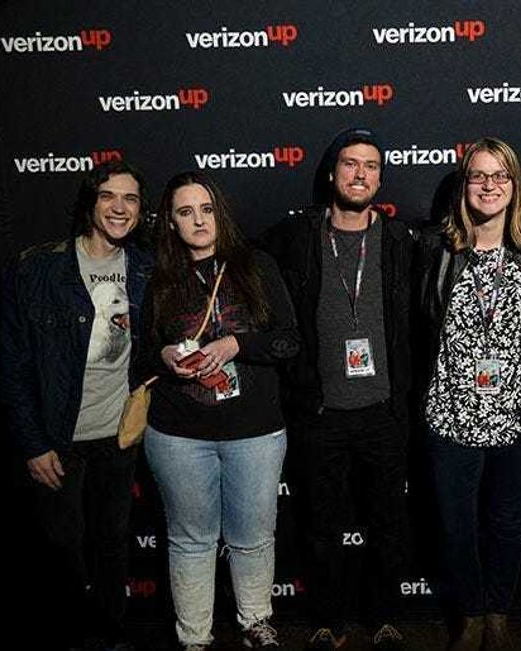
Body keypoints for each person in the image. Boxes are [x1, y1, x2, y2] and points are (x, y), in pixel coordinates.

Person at [261, 127, 415, 650]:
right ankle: (327, 619)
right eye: (350, 164)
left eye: (371, 165)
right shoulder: (297, 236)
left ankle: (384, 617)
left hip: (382, 410)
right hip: (320, 411)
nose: (360, 174)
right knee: (320, 524)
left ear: (380, 177)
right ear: (332, 173)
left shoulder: (399, 240)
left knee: (387, 524)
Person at [139, 171, 299, 650]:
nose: (198, 220)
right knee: (191, 539)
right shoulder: (157, 275)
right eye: (185, 212)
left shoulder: (256, 266)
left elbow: (289, 340)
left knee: (252, 535)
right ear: (170, 222)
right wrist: (165, 356)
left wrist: (235, 344)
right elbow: (141, 355)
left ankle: (255, 623)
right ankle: (194, 638)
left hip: (254, 431)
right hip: (178, 434)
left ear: (220, 214)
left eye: (206, 209)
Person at [0, 161, 153, 650]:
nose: (120, 207)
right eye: (109, 196)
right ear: (91, 202)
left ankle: (110, 635)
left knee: (112, 544)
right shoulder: (39, 269)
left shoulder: (147, 268)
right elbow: (16, 365)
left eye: (130, 199)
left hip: (118, 436)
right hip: (58, 437)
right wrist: (32, 442)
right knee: (62, 548)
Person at [418, 137, 521, 651]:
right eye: (479, 176)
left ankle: (499, 615)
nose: (489, 186)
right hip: (451, 414)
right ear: (464, 185)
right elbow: (420, 327)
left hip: (519, 413)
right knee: (457, 528)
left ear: (515, 186)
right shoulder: (436, 247)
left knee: (505, 525)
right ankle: (471, 615)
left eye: (501, 176)